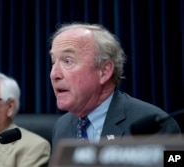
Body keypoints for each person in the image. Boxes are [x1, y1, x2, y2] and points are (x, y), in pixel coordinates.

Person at [49, 23, 181, 149]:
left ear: (104, 71)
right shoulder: (62, 127)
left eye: (67, 61)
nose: (54, 74)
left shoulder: (154, 125)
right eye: (53, 61)